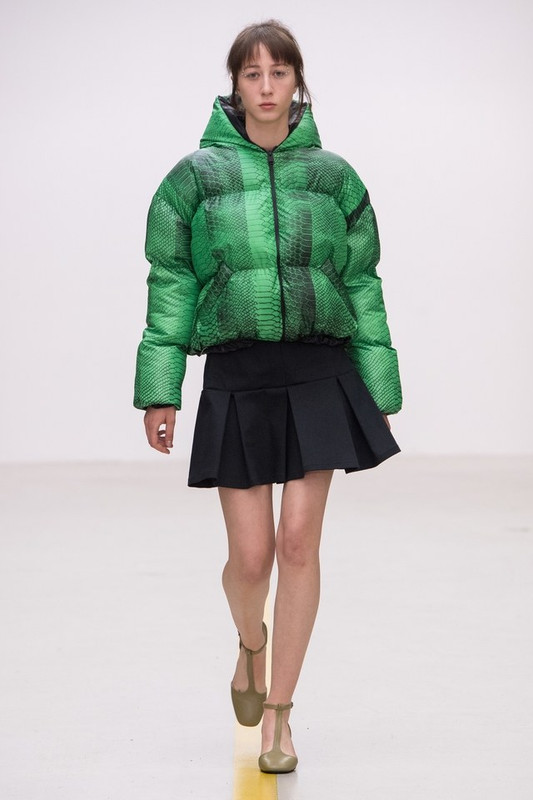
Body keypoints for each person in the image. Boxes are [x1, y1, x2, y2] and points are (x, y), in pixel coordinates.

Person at [134, 19, 402, 774]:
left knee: (297, 544)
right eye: (251, 74)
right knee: (251, 559)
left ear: (296, 82)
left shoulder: (335, 178)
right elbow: (171, 281)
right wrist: (160, 388)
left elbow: (360, 281)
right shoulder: (194, 179)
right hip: (238, 373)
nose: (265, 87)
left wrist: (378, 379)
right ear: (235, 84)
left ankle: (280, 715)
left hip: (319, 369)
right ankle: (249, 644)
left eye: (277, 73)